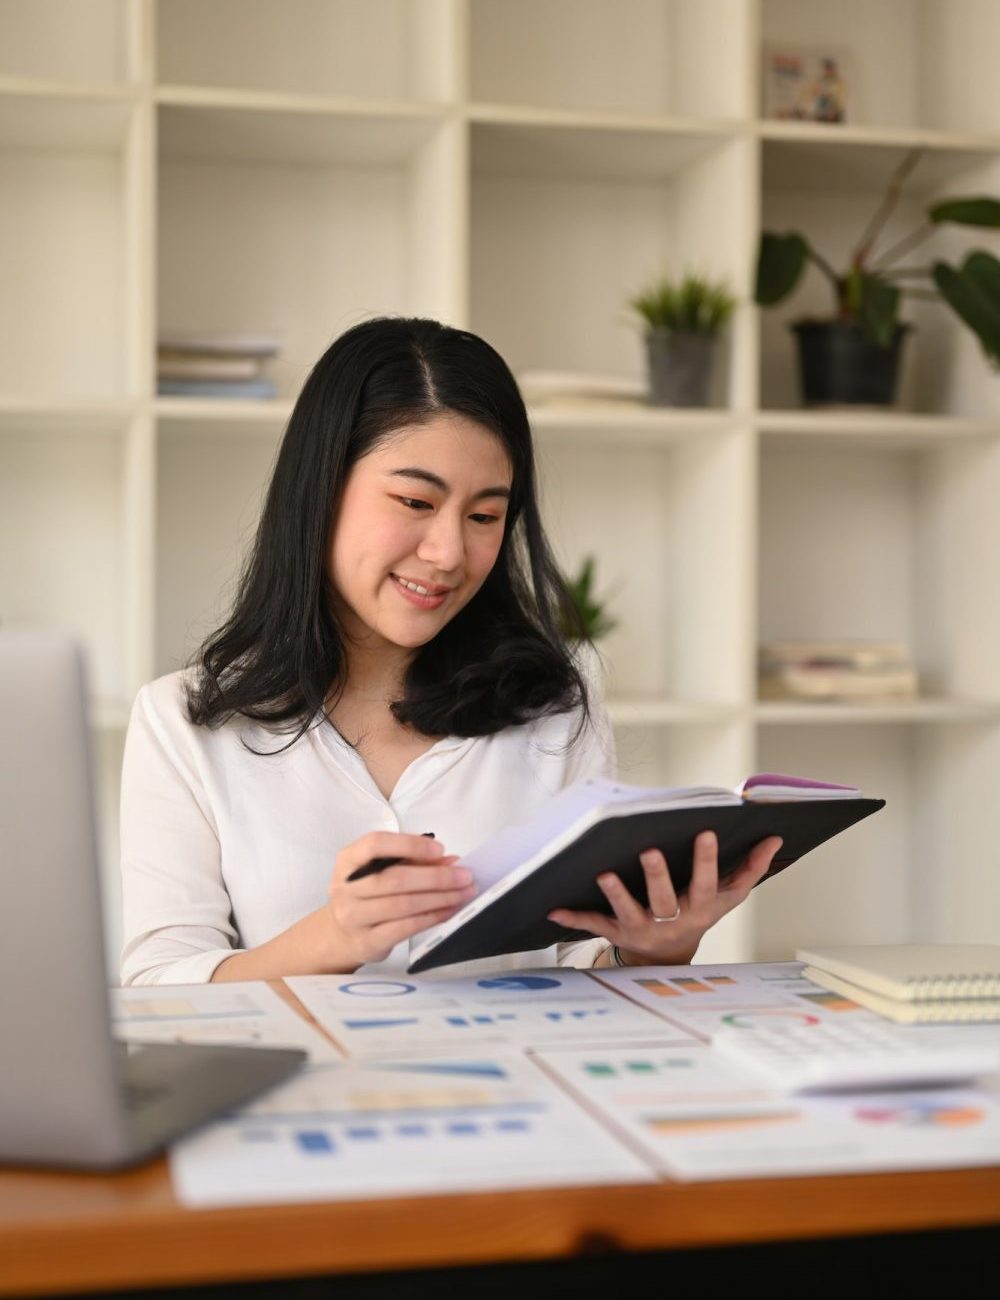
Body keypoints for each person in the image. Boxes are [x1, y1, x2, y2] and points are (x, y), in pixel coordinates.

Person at [120, 317, 781, 985]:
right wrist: (332, 937)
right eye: (415, 500)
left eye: (485, 516)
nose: (448, 554)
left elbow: (577, 961)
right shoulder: (183, 723)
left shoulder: (553, 711)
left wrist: (648, 951)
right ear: (320, 491)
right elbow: (159, 986)